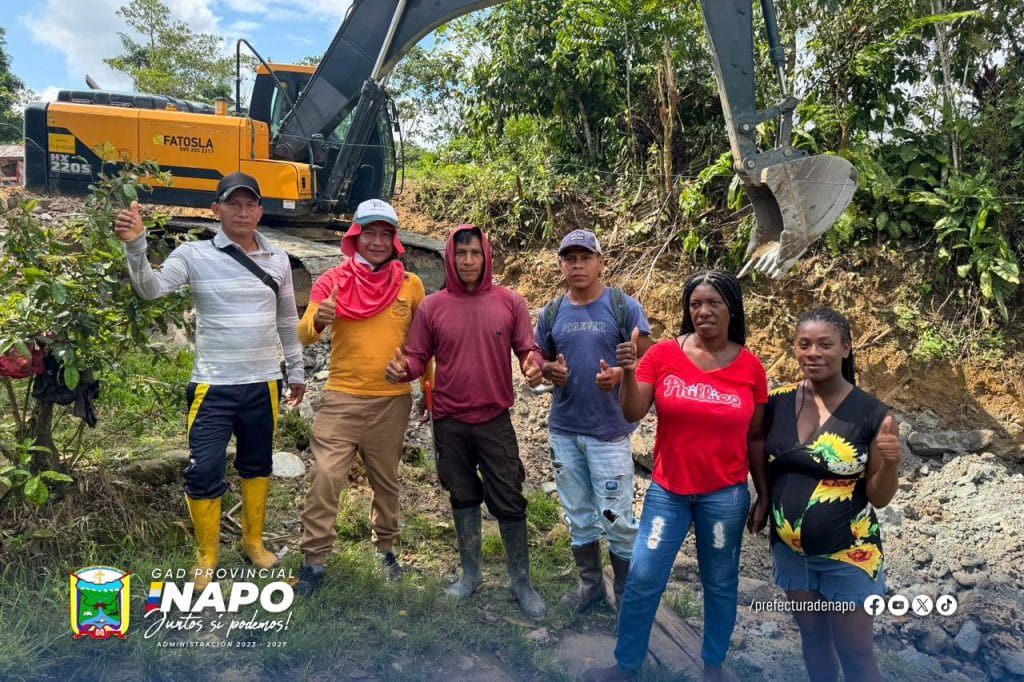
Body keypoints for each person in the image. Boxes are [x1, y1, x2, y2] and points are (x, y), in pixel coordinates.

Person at [113, 172, 306, 590]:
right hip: (212, 386)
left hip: (263, 384)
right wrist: (136, 246)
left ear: (260, 209)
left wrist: (296, 370)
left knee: (257, 465)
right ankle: (208, 555)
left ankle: (253, 543)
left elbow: (287, 319)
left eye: (250, 203)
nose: (242, 211)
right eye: (232, 204)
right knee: (205, 469)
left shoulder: (277, 259)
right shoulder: (193, 255)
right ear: (215, 210)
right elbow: (151, 290)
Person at [584, 269, 768, 682]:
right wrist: (628, 372)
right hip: (669, 491)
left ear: (732, 309)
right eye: (696, 303)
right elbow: (633, 413)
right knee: (645, 577)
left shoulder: (752, 367)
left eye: (714, 303)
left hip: (725, 496)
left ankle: (714, 665)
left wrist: (765, 496)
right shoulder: (663, 355)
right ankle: (626, 665)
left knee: (720, 583)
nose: (703, 311)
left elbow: (757, 437)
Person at [385, 224, 548, 618]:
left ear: (486, 255)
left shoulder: (510, 302)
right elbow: (417, 357)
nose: (469, 261)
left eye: (475, 253)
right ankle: (471, 575)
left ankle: (520, 581)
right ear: (450, 258)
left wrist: (533, 365)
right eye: (461, 254)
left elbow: (530, 349)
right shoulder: (432, 307)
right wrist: (401, 369)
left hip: (494, 419)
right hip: (449, 421)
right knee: (461, 494)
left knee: (509, 497)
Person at [292, 198, 428, 596]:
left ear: (395, 241)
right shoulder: (332, 281)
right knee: (325, 477)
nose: (377, 241)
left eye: (385, 234)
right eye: (369, 233)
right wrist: (318, 318)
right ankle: (314, 562)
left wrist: (426, 389)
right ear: (356, 236)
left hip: (393, 401)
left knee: (386, 482)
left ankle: (384, 549)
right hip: (341, 399)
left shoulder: (410, 285)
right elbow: (303, 334)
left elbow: (422, 346)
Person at [762, 308, 900, 682]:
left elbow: (879, 497)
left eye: (825, 344)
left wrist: (889, 465)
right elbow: (760, 455)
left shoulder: (872, 414)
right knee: (813, 639)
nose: (813, 353)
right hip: (791, 553)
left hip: (848, 554)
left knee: (855, 653)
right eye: (804, 344)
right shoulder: (777, 402)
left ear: (846, 348)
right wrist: (761, 500)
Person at [534, 229, 652, 613]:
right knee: (578, 514)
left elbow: (650, 364)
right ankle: (591, 585)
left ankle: (624, 595)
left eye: (585, 257)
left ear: (601, 263)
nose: (578, 265)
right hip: (564, 429)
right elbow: (539, 360)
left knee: (617, 518)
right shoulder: (551, 312)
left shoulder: (623, 307)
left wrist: (621, 374)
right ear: (562, 266)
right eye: (570, 258)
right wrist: (550, 369)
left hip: (609, 433)